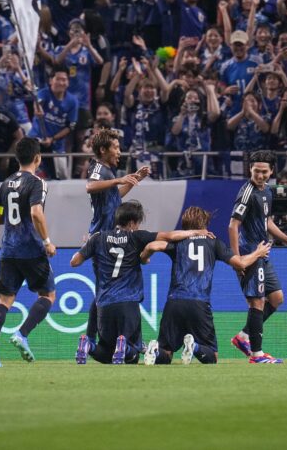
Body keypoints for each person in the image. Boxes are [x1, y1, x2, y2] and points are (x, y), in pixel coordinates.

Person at [70, 200, 211, 365]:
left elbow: (74, 262)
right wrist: (196, 232)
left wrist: (90, 247)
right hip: (128, 303)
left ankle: (89, 346)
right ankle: (125, 346)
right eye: (137, 223)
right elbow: (171, 236)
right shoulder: (137, 236)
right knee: (133, 355)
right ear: (131, 223)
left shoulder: (97, 238)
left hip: (104, 305)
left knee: (106, 353)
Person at [141, 206, 271, 365]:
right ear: (204, 224)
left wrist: (144, 258)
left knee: (166, 353)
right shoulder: (213, 242)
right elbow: (240, 263)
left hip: (174, 302)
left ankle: (154, 350)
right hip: (199, 303)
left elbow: (151, 246)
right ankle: (194, 347)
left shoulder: (178, 242)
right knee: (212, 357)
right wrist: (258, 252)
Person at [78, 129, 151, 362]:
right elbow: (90, 186)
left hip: (108, 235)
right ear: (103, 150)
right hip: (101, 236)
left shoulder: (107, 172)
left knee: (107, 288)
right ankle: (97, 338)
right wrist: (120, 178)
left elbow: (114, 197)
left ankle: (93, 341)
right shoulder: (99, 167)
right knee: (106, 288)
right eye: (116, 147)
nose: (119, 152)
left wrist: (133, 180)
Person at [0, 138, 57, 368]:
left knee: (4, 300)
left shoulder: (5, 184)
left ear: (17, 159)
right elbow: (36, 212)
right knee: (47, 295)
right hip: (31, 249)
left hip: (8, 248)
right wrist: (47, 241)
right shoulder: (38, 183)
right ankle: (22, 334)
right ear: (38, 158)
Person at [229, 150, 287, 364]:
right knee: (257, 301)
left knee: (276, 298)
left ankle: (243, 337)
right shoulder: (247, 193)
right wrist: (237, 259)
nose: (259, 175)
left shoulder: (267, 192)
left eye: (264, 171)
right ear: (250, 170)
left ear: (271, 172)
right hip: (250, 253)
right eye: (255, 171)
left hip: (263, 252)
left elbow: (267, 221)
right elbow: (233, 225)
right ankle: (257, 355)